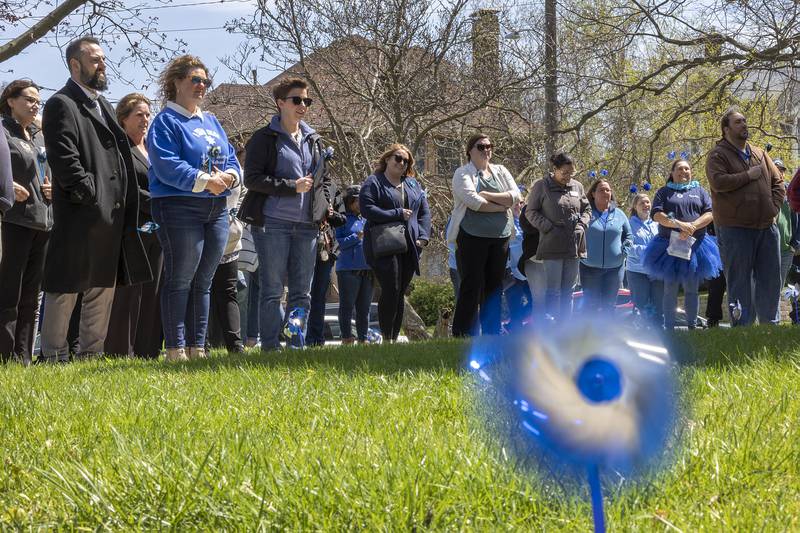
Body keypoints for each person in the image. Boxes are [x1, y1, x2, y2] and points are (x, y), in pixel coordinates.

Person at [41, 36, 151, 363]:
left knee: (102, 288)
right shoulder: (62, 103)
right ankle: (53, 356)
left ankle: (90, 355)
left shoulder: (102, 104)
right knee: (65, 287)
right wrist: (90, 193)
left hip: (112, 217)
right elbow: (64, 159)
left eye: (103, 59)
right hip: (81, 214)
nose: (102, 65)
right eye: (94, 60)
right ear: (75, 65)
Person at [148, 54, 241, 361]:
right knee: (181, 278)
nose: (202, 86)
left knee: (204, 281)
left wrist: (230, 175)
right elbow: (166, 165)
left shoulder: (211, 120)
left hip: (215, 211)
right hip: (179, 208)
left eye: (205, 81)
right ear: (176, 82)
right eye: (195, 80)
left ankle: (197, 348)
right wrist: (203, 180)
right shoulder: (165, 122)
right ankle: (175, 349)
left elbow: (230, 158)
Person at [238, 77, 333, 351]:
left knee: (302, 293)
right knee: (272, 291)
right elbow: (252, 179)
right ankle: (270, 347)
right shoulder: (264, 138)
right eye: (297, 100)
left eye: (307, 101)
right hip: (273, 225)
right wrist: (291, 187)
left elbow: (324, 180)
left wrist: (323, 203)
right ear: (281, 103)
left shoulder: (313, 140)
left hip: (307, 227)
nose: (303, 105)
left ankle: (295, 343)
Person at [706, 109, 784, 325]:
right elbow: (718, 182)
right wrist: (747, 175)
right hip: (735, 229)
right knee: (739, 282)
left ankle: (770, 327)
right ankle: (743, 329)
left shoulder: (760, 153)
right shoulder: (717, 155)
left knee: (770, 280)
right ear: (726, 129)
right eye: (738, 122)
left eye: (744, 121)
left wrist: (773, 208)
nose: (744, 125)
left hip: (767, 228)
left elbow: (778, 183)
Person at [104, 93, 163, 359]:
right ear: (123, 119)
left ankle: (147, 351)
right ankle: (120, 351)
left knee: (153, 290)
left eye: (148, 114)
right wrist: (162, 203)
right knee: (129, 293)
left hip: (158, 230)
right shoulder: (120, 150)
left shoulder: (153, 149)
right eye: (139, 114)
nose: (145, 119)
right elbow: (127, 189)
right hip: (133, 230)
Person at [0, 80, 52, 364]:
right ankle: (4, 355)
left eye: (37, 101)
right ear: (10, 100)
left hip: (41, 221)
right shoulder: (2, 131)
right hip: (13, 220)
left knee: (32, 295)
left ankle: (23, 358)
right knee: (10, 291)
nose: (34, 105)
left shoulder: (38, 136)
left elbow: (47, 171)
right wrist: (7, 185)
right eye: (29, 99)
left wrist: (53, 188)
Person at [449, 134, 521, 336]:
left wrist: (488, 195)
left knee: (494, 287)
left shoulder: (501, 170)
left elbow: (516, 196)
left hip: (500, 237)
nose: (486, 150)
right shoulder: (462, 173)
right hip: (471, 237)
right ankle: (462, 334)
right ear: (470, 150)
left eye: (490, 145)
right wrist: (502, 205)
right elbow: (473, 202)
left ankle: (492, 332)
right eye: (481, 146)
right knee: (471, 286)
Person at [360, 144, 431, 341]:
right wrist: (396, 214)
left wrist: (424, 236)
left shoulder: (412, 184)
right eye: (398, 158)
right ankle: (387, 337)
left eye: (406, 160)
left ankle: (393, 338)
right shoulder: (374, 182)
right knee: (391, 288)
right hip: (384, 244)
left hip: (411, 244)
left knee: (400, 292)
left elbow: (424, 212)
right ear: (387, 160)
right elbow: (366, 209)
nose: (402, 163)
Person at [641, 160, 720, 330]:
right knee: (670, 289)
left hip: (696, 247)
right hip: (668, 246)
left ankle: (692, 327)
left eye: (687, 168)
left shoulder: (699, 191)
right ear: (672, 172)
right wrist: (679, 225)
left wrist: (692, 227)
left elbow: (709, 213)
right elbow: (657, 215)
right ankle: (668, 328)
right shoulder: (664, 192)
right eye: (679, 169)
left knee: (692, 289)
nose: (684, 171)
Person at [525, 152, 590, 319]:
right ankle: (551, 326)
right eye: (564, 173)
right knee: (553, 290)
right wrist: (547, 227)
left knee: (569, 290)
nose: (568, 177)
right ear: (555, 169)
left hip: (573, 246)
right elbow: (530, 212)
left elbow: (587, 210)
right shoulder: (541, 186)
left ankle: (565, 328)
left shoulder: (577, 186)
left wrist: (582, 224)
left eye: (571, 173)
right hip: (551, 245)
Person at [580, 179, 632, 311]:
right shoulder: (586, 213)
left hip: (615, 269)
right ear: (593, 194)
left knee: (609, 306)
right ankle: (589, 331)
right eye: (601, 190)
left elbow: (629, 236)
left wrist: (625, 250)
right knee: (590, 306)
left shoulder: (619, 214)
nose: (605, 192)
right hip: (589, 268)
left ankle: (607, 331)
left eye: (608, 190)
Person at [207, 180, 245, 353]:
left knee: (226, 292)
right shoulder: (233, 166)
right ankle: (202, 344)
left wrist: (236, 219)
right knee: (206, 291)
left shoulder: (233, 165)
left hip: (226, 237)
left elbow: (244, 192)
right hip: (205, 235)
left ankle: (235, 345)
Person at [306, 187, 346, 347]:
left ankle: (316, 339)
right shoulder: (302, 182)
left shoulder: (333, 188)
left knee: (319, 296)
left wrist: (330, 213)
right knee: (302, 294)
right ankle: (299, 337)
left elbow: (342, 218)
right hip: (302, 244)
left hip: (325, 250)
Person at [335, 185, 373, 344]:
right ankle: (347, 338)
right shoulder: (341, 219)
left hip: (367, 270)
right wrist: (356, 237)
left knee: (364, 309)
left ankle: (363, 339)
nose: (360, 204)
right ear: (349, 201)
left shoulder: (366, 219)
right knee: (347, 307)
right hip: (348, 271)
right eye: (357, 201)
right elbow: (337, 244)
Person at [626, 192, 663, 324]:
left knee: (659, 305)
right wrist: (648, 250)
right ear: (635, 206)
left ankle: (660, 333)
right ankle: (643, 333)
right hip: (637, 271)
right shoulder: (628, 224)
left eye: (648, 202)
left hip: (656, 271)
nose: (646, 205)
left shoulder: (657, 224)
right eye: (642, 203)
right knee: (641, 304)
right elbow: (627, 247)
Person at [503, 191, 532, 330]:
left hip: (528, 271)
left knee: (536, 302)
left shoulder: (526, 220)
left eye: (520, 202)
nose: (518, 205)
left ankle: (512, 325)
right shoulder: (504, 221)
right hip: (511, 273)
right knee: (515, 307)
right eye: (515, 202)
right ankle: (513, 330)